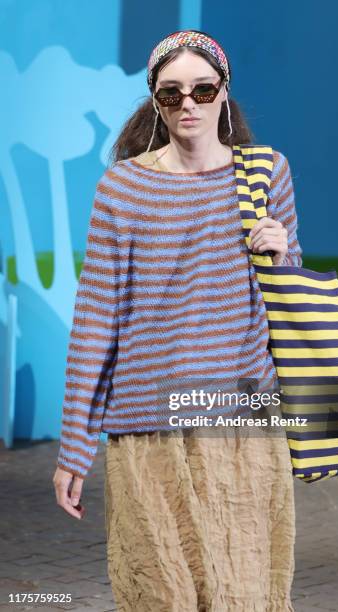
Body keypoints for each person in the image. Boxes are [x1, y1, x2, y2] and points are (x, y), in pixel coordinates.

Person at [53, 29, 303, 611]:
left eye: (201, 89)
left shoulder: (267, 174)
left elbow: (291, 307)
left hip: (241, 426)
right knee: (160, 595)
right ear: (155, 102)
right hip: (148, 430)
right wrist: (74, 447)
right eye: (171, 94)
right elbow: (96, 320)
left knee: (246, 594)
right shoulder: (123, 187)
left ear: (224, 92)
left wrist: (282, 253)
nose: (188, 103)